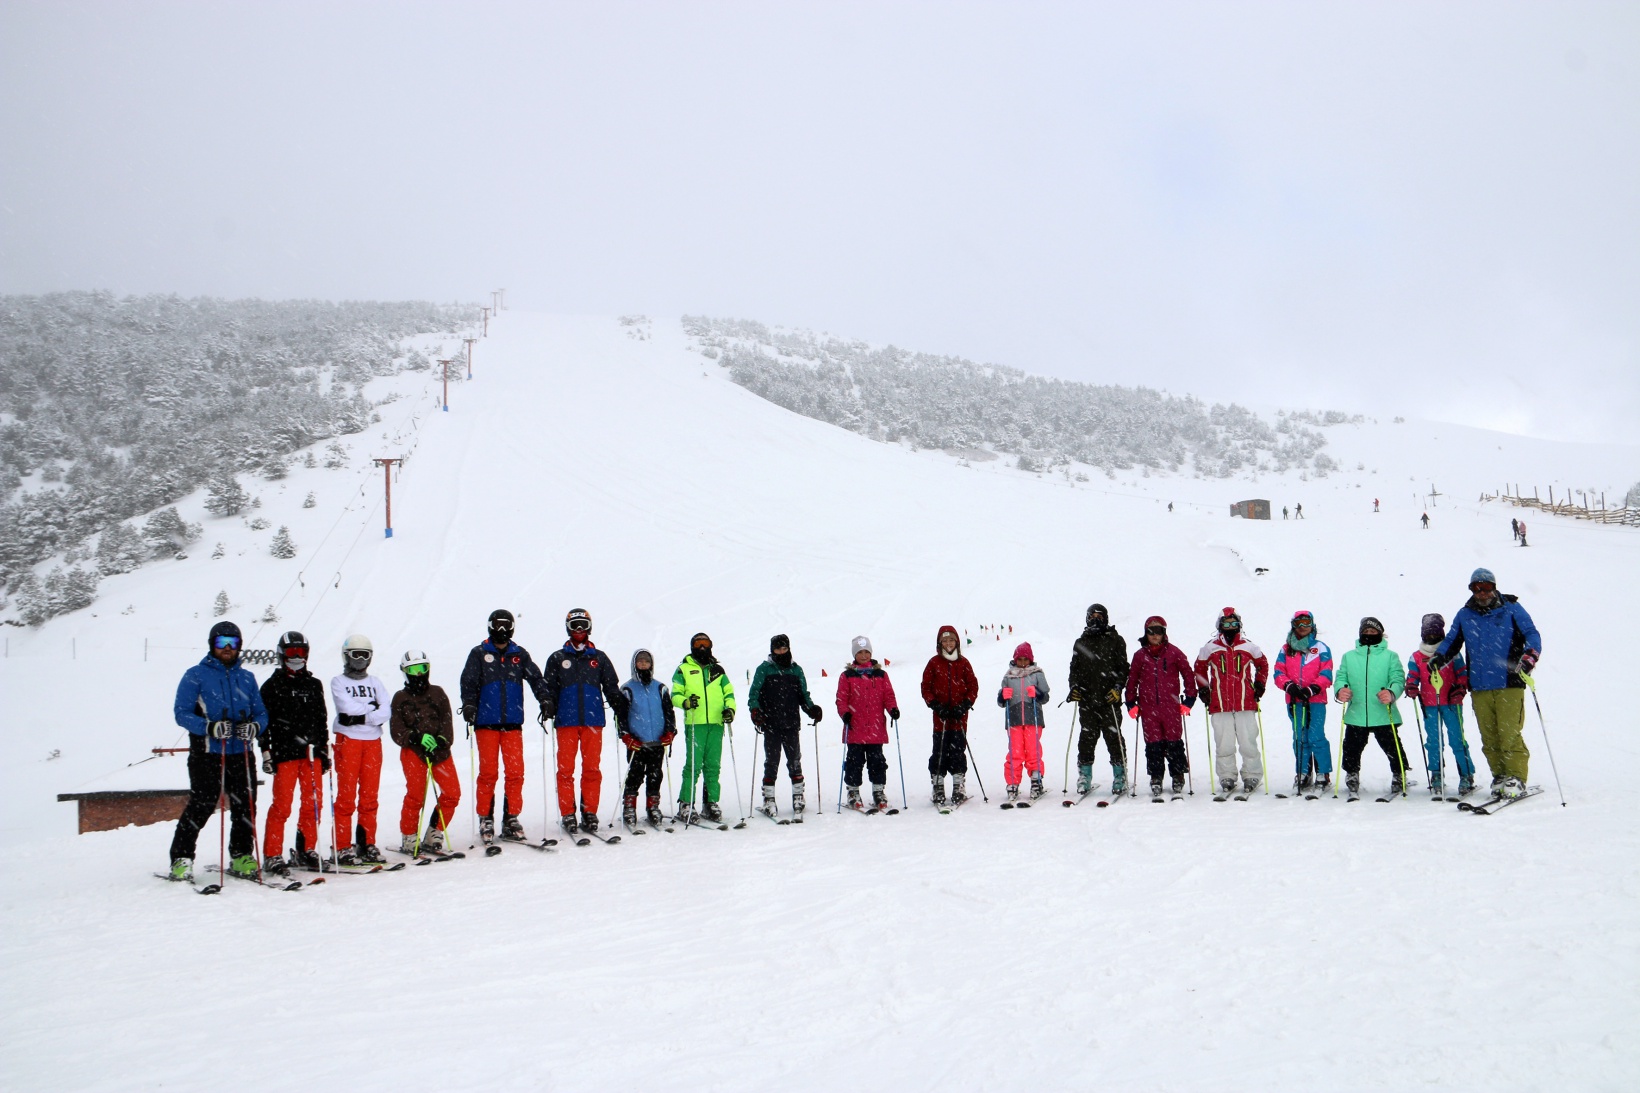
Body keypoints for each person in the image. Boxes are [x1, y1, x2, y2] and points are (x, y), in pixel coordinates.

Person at [166, 621, 267, 881]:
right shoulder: (196, 675)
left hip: (241, 752)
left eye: (232, 643)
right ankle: (181, 857)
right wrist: (208, 727)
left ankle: (241, 854)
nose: (227, 648)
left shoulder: (247, 677)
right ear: (212, 645)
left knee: (245, 806)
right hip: (207, 753)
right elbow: (181, 713)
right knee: (202, 803)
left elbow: (261, 713)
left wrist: (255, 727)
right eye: (222, 643)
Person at [1430, 567, 1542, 799]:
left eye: (1486, 587)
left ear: (1494, 587)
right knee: (1489, 735)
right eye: (1476, 588)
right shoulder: (1465, 614)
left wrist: (1529, 657)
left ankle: (1516, 777)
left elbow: (1532, 634)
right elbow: (1452, 640)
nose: (1481, 592)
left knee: (1509, 732)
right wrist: (1439, 658)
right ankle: (1500, 775)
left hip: (1509, 681)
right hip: (1480, 684)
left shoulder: (1511, 609)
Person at [459, 609, 552, 842]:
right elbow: (468, 682)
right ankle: (485, 817)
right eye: (497, 626)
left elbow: (536, 679)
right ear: (490, 627)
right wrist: (469, 705)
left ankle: (511, 817)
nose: (501, 631)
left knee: (515, 773)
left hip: (512, 724)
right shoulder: (479, 654)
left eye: (505, 627)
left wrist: (546, 699)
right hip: (486, 724)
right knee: (488, 773)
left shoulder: (519, 654)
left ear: (511, 628)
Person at [540, 608, 627, 836]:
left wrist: (621, 708)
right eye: (575, 626)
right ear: (568, 628)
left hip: (592, 721)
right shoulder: (558, 658)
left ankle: (589, 811)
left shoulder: (598, 658)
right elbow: (548, 688)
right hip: (566, 722)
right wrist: (547, 703)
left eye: (583, 626)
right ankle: (568, 813)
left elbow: (611, 687)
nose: (579, 630)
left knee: (591, 769)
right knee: (565, 770)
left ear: (589, 628)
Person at [258, 630, 329, 875]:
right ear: (281, 655)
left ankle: (305, 849)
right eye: (291, 652)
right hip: (285, 754)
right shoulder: (272, 686)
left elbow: (322, 720)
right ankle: (272, 854)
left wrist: (324, 750)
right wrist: (266, 752)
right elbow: (263, 723)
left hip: (311, 754)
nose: (297, 657)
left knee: (313, 805)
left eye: (301, 652)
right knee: (282, 806)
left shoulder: (313, 684)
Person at [1193, 607, 1268, 797]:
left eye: (1234, 623)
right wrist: (1203, 689)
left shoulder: (1249, 646)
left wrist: (1259, 685)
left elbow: (1263, 665)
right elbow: (1199, 669)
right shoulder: (1210, 648)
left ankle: (1252, 774)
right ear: (1219, 625)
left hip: (1245, 702)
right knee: (1224, 743)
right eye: (1226, 624)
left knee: (1247, 741)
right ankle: (1227, 775)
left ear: (1239, 625)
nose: (1230, 627)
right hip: (1219, 703)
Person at [1333, 617, 1412, 799]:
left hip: (1383, 712)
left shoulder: (1390, 656)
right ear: (1361, 633)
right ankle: (1351, 773)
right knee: (1351, 747)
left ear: (1380, 633)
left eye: (1373, 631)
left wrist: (1391, 692)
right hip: (1357, 712)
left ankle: (1399, 773)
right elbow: (1341, 677)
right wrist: (1341, 690)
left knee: (1392, 746)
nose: (1369, 634)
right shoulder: (1349, 656)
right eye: (1366, 631)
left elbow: (1398, 678)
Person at [390, 650, 459, 855]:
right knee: (415, 796)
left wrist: (441, 740)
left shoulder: (438, 693)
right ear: (405, 672)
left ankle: (434, 831)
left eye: (423, 668)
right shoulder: (400, 698)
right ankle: (409, 836)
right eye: (413, 670)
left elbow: (447, 722)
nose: (419, 674)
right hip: (413, 752)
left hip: (439, 752)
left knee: (452, 793)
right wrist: (415, 737)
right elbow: (396, 730)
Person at [748, 634, 823, 818]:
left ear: (788, 648)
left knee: (794, 760)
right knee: (772, 761)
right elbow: (754, 694)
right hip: (770, 723)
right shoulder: (764, 669)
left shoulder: (796, 670)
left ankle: (798, 795)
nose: (781, 651)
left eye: (784, 648)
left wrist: (811, 709)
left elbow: (803, 695)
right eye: (777, 648)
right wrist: (755, 711)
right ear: (772, 649)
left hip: (790, 722)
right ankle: (769, 799)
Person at [331, 634, 391, 864]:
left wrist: (359, 716)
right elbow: (345, 707)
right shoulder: (339, 682)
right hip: (348, 742)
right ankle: (343, 846)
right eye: (355, 655)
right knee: (346, 796)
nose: (359, 660)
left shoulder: (375, 682)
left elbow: (386, 710)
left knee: (369, 796)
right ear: (346, 656)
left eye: (364, 655)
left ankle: (366, 843)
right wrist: (371, 712)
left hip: (373, 743)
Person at [1125, 616, 1195, 800]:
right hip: (1148, 709)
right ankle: (1156, 777)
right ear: (1146, 633)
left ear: (1165, 633)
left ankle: (1177, 776)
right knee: (1153, 744)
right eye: (1151, 632)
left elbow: (1188, 674)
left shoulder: (1174, 653)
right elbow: (1131, 681)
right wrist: (1131, 703)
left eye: (1159, 631)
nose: (1155, 636)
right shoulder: (1140, 656)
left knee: (1174, 743)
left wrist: (1189, 700)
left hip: (1171, 708)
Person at [1405, 613, 1476, 797]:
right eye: (1427, 632)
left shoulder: (1451, 654)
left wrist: (1460, 688)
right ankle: (1437, 774)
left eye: (1435, 632)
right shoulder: (1417, 657)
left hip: (1451, 703)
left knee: (1457, 740)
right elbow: (1413, 676)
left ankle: (1466, 774)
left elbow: (1462, 673)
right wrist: (1411, 686)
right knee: (1434, 742)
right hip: (1429, 705)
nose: (1431, 636)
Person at [672, 633, 737, 823]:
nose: (702, 648)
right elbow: (675, 694)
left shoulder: (717, 670)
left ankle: (710, 803)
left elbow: (729, 693)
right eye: (698, 644)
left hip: (716, 724)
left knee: (713, 765)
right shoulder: (683, 669)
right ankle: (686, 803)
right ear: (692, 647)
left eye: (705, 644)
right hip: (695, 723)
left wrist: (730, 710)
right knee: (693, 764)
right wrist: (685, 702)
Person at [1067, 603, 1129, 796]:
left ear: (1106, 619)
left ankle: (1120, 774)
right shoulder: (1080, 643)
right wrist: (1074, 687)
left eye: (1100, 617)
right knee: (1087, 738)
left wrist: (1118, 687)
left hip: (1109, 700)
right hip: (1087, 700)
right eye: (1092, 616)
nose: (1096, 619)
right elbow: (1074, 671)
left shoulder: (1115, 640)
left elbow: (1123, 668)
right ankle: (1084, 774)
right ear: (1087, 618)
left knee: (1114, 737)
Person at [1272, 610, 1333, 795]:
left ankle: (1323, 773)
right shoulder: (1286, 649)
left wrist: (1313, 688)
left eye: (1306, 623)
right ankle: (1303, 772)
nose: (1303, 627)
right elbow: (1278, 672)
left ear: (1312, 625)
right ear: (1293, 626)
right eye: (1299, 623)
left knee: (1316, 736)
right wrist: (1289, 686)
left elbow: (1327, 672)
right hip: (1295, 700)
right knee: (1300, 737)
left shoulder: (1320, 648)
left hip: (1315, 700)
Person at [836, 635, 899, 811]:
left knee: (877, 761)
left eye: (866, 652)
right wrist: (845, 713)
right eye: (860, 652)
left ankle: (878, 791)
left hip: (875, 728)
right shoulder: (847, 676)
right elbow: (841, 699)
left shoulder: (880, 674)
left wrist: (892, 708)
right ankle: (853, 792)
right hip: (855, 728)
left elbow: (888, 695)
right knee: (854, 761)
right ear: (854, 654)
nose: (863, 655)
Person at [618, 649, 675, 828]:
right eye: (640, 661)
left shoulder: (660, 688)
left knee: (655, 775)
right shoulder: (627, 689)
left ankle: (653, 807)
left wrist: (670, 732)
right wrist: (626, 736)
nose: (643, 664)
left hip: (657, 741)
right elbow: (621, 716)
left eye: (646, 661)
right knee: (635, 775)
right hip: (637, 743)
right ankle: (629, 807)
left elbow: (669, 712)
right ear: (634, 664)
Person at [921, 624, 977, 806]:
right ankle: (938, 786)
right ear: (940, 643)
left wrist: (966, 704)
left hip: (959, 718)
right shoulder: (934, 663)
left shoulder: (964, 663)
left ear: (957, 642)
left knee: (958, 752)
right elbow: (926, 687)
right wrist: (935, 705)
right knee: (939, 752)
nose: (948, 643)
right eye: (944, 640)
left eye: (951, 639)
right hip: (941, 718)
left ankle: (958, 785)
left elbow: (973, 686)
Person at [998, 642, 1050, 803]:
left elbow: (1046, 697)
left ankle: (1036, 780)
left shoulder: (1037, 674)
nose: (1022, 662)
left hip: (1032, 719)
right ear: (1015, 660)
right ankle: (1012, 783)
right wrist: (1002, 696)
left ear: (1030, 660)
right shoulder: (1008, 676)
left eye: (1025, 659)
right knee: (1015, 752)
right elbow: (1000, 701)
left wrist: (1038, 693)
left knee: (1033, 751)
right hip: (1013, 719)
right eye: (1019, 659)